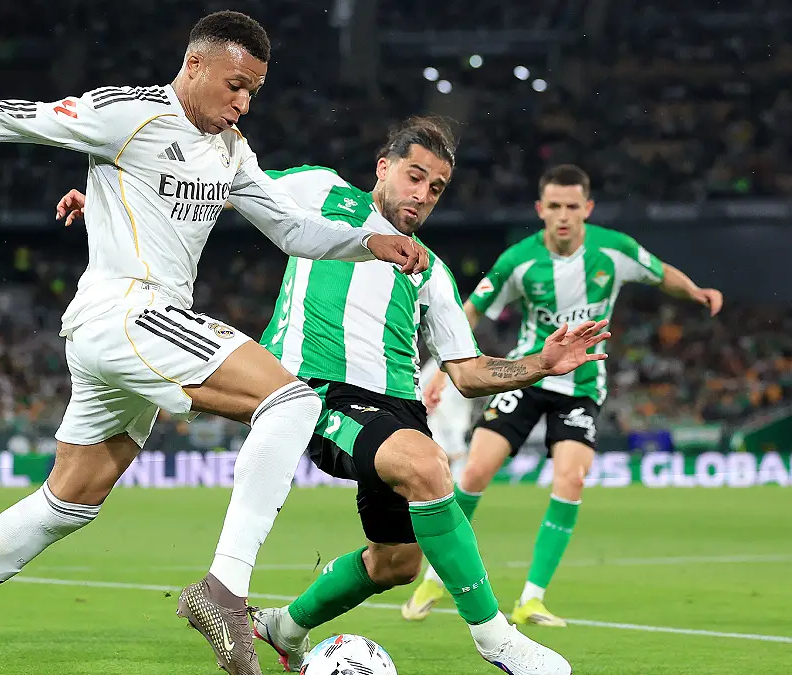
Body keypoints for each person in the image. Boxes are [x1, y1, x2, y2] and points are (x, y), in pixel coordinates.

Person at [0, 11, 427, 675]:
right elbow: (15, 117)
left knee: (68, 502)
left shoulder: (230, 150)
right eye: (235, 85)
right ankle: (224, 590)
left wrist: (368, 241)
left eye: (254, 91)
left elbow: (290, 228)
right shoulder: (130, 114)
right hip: (126, 311)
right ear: (194, 65)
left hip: (131, 331)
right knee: (291, 400)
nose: (242, 102)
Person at [63, 118, 601, 674]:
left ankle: (284, 626)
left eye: (437, 188)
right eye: (415, 176)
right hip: (319, 392)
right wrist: (115, 203)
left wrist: (540, 364)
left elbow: (466, 372)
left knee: (396, 563)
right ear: (384, 168)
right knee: (426, 465)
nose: (422, 194)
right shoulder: (319, 191)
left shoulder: (431, 271)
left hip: (399, 410)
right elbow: (212, 183)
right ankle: (497, 640)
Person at [402, 164, 723, 628]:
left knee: (571, 480)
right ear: (540, 209)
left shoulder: (614, 250)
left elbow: (660, 273)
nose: (564, 215)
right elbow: (470, 310)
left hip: (582, 387)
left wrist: (695, 291)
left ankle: (531, 600)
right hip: (526, 377)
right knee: (474, 472)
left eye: (573, 206)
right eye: (554, 206)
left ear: (587, 208)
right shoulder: (519, 260)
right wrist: (440, 369)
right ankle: (437, 579)